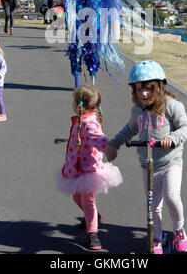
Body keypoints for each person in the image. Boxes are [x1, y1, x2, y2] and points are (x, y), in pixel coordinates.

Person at [105, 60, 187, 254]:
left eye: (148, 89)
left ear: (160, 87)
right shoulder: (137, 110)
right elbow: (129, 129)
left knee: (172, 197)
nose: (143, 94)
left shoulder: (172, 106)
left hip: (171, 162)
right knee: (153, 204)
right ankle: (156, 238)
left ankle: (179, 229)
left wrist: (173, 138)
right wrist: (114, 144)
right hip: (147, 164)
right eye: (138, 90)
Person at [55, 85, 122, 250]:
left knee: (87, 200)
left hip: (89, 171)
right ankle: (93, 217)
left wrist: (109, 148)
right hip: (77, 167)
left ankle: (93, 234)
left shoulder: (88, 122)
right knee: (77, 198)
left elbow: (99, 138)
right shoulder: (82, 118)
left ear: (79, 105)